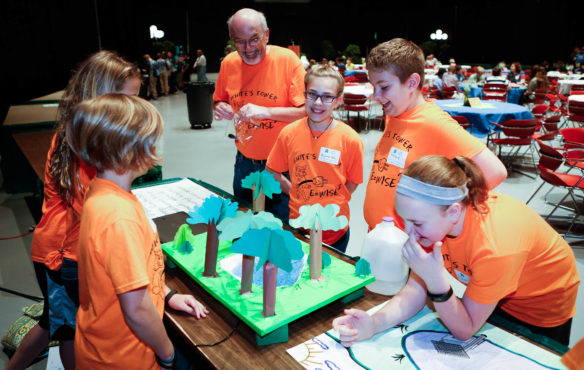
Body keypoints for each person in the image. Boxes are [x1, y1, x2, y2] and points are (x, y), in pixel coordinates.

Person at [334, 155, 579, 346]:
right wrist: (375, 323)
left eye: (417, 223)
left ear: (453, 212)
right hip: (499, 292)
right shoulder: (433, 221)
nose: (409, 232)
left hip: (541, 310)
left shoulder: (495, 246)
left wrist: (435, 280)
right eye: (404, 219)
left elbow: (465, 330)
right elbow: (414, 291)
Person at [4, 51, 142, 370]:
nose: (135, 108)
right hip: (62, 254)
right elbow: (97, 212)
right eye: (128, 99)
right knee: (67, 329)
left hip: (66, 249)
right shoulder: (85, 145)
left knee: (53, 322)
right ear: (101, 96)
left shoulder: (83, 135)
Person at [68, 94, 209, 369]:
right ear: (130, 147)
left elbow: (130, 273)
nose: (156, 145)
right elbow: (136, 309)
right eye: (151, 138)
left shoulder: (104, 191)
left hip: (107, 347)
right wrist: (167, 353)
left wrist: (168, 295)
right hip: (125, 358)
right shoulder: (119, 217)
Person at [363, 39, 507, 231]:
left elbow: (495, 172)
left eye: (384, 87)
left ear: (412, 82)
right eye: (374, 87)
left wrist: (439, 214)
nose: (376, 95)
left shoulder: (435, 123)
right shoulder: (396, 112)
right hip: (381, 237)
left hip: (408, 245)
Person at [213, 8, 306, 223]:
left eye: (254, 39)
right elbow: (219, 99)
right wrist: (220, 107)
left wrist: (266, 112)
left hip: (283, 167)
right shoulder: (229, 63)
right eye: (240, 42)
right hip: (245, 163)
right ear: (231, 40)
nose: (248, 48)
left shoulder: (287, 60)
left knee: (283, 230)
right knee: (245, 228)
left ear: (267, 35)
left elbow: (305, 112)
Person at [266, 65, 364, 253]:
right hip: (299, 226)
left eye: (327, 97)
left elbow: (352, 183)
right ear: (304, 95)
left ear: (338, 101)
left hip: (335, 231)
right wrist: (293, 190)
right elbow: (272, 171)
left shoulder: (350, 139)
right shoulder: (289, 133)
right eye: (312, 94)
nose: (318, 102)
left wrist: (332, 196)